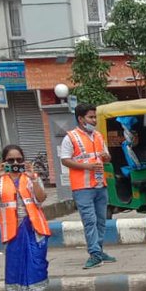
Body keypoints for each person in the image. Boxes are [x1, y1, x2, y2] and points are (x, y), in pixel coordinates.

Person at [0, 144, 51, 291]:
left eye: (19, 160)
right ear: (3, 162)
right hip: (13, 231)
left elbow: (42, 198)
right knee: (17, 266)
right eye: (10, 160)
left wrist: (33, 177)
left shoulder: (30, 177)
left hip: (34, 228)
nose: (15, 163)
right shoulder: (0, 180)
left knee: (36, 265)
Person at [59, 103, 115, 270]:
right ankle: (94, 253)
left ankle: (99, 251)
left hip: (100, 184)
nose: (94, 120)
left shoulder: (98, 136)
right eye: (91, 117)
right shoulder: (70, 137)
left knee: (101, 220)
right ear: (81, 119)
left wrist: (106, 157)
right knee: (89, 221)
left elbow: (107, 157)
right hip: (82, 187)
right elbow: (65, 159)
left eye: (94, 117)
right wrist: (87, 167)